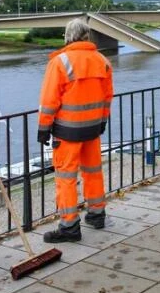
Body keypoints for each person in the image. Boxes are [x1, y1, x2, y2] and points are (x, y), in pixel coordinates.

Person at [38, 19, 113, 243]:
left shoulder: (60, 62)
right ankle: (97, 214)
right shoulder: (102, 60)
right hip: (92, 128)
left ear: (68, 37)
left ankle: (69, 226)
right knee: (93, 171)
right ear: (87, 36)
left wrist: (43, 128)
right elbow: (108, 96)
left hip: (67, 131)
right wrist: (102, 121)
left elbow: (49, 100)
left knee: (66, 177)